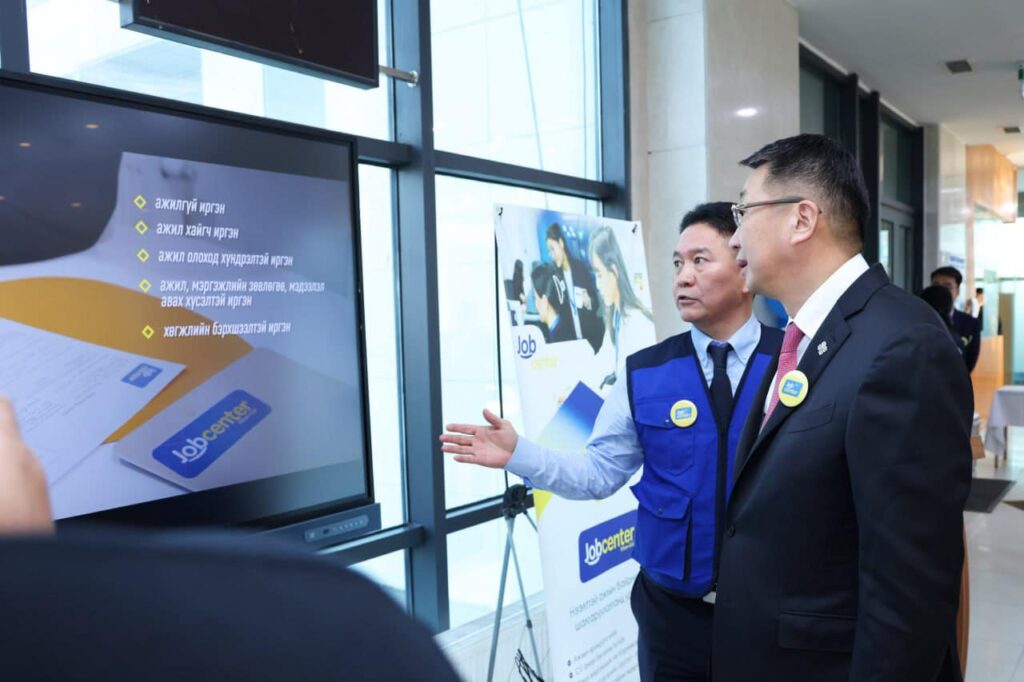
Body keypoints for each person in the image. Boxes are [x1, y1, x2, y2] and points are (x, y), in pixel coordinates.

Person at [441, 202, 783, 682]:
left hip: (769, 616)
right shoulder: (645, 372)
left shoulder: (794, 361)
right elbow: (599, 473)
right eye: (677, 263)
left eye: (700, 261)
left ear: (745, 269)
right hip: (672, 618)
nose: (682, 278)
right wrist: (520, 453)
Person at [718, 134, 972, 682]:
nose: (734, 236)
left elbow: (909, 593)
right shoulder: (805, 334)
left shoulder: (903, 345)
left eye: (743, 211)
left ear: (802, 219)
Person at [587, 225, 656, 388]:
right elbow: (603, 360)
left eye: (599, 274)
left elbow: (634, 387)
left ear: (614, 271)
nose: (598, 285)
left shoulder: (637, 323)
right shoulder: (615, 316)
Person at [546, 222, 605, 352]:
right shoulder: (555, 277)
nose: (552, 255)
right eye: (549, 251)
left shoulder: (580, 268)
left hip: (591, 341)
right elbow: (553, 308)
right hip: (572, 344)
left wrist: (589, 302)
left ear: (561, 243)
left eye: (552, 249)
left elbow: (595, 302)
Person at [931, 266, 982, 373]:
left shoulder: (971, 324)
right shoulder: (919, 319)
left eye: (947, 286)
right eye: (936, 286)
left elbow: (969, 364)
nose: (941, 291)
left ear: (957, 291)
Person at [531, 262, 576, 343]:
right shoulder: (564, 328)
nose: (536, 305)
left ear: (544, 301)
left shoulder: (555, 340)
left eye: (535, 298)